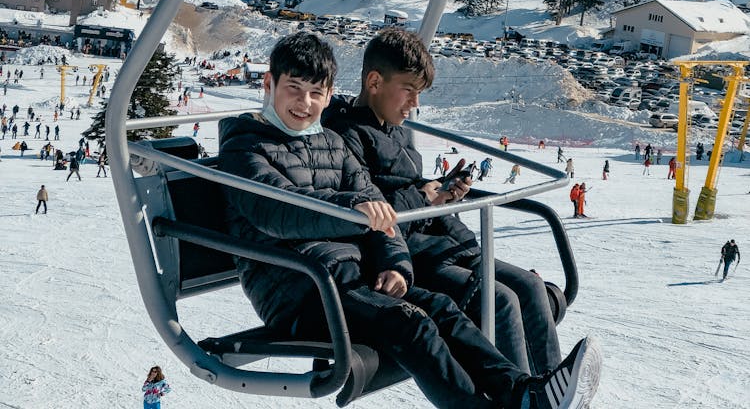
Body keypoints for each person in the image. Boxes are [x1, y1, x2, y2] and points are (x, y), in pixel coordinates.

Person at [220, 32, 601, 409]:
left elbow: (378, 210)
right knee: (412, 323)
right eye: (294, 88)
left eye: (316, 93)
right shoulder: (245, 147)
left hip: (350, 281)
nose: (304, 103)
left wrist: (395, 265)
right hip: (302, 291)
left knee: (441, 310)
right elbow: (280, 210)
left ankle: (524, 393)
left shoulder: (329, 144)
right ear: (269, 84)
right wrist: (354, 210)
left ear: (329, 94)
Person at [323, 28, 576, 379]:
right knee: (498, 301)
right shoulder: (345, 137)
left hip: (441, 240)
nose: (415, 105)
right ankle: (522, 398)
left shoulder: (396, 129)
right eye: (408, 92)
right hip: (405, 255)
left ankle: (549, 392)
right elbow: (369, 211)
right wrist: (425, 197)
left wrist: (443, 193)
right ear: (374, 81)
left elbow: (409, 189)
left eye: (419, 94)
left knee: (531, 287)